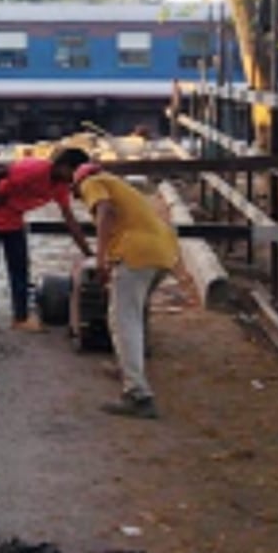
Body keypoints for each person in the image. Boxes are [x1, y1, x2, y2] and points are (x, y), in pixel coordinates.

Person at [72, 164, 179, 420]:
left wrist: (100, 258)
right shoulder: (121, 185)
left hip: (135, 254)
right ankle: (129, 368)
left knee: (123, 321)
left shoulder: (91, 182)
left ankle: (138, 394)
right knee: (135, 316)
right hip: (163, 251)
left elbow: (105, 212)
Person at [0, 148, 94, 332]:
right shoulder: (34, 170)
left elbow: (69, 219)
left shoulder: (60, 187)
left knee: (20, 269)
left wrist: (88, 253)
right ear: (64, 167)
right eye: (75, 173)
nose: (76, 179)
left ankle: (20, 318)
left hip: (14, 220)